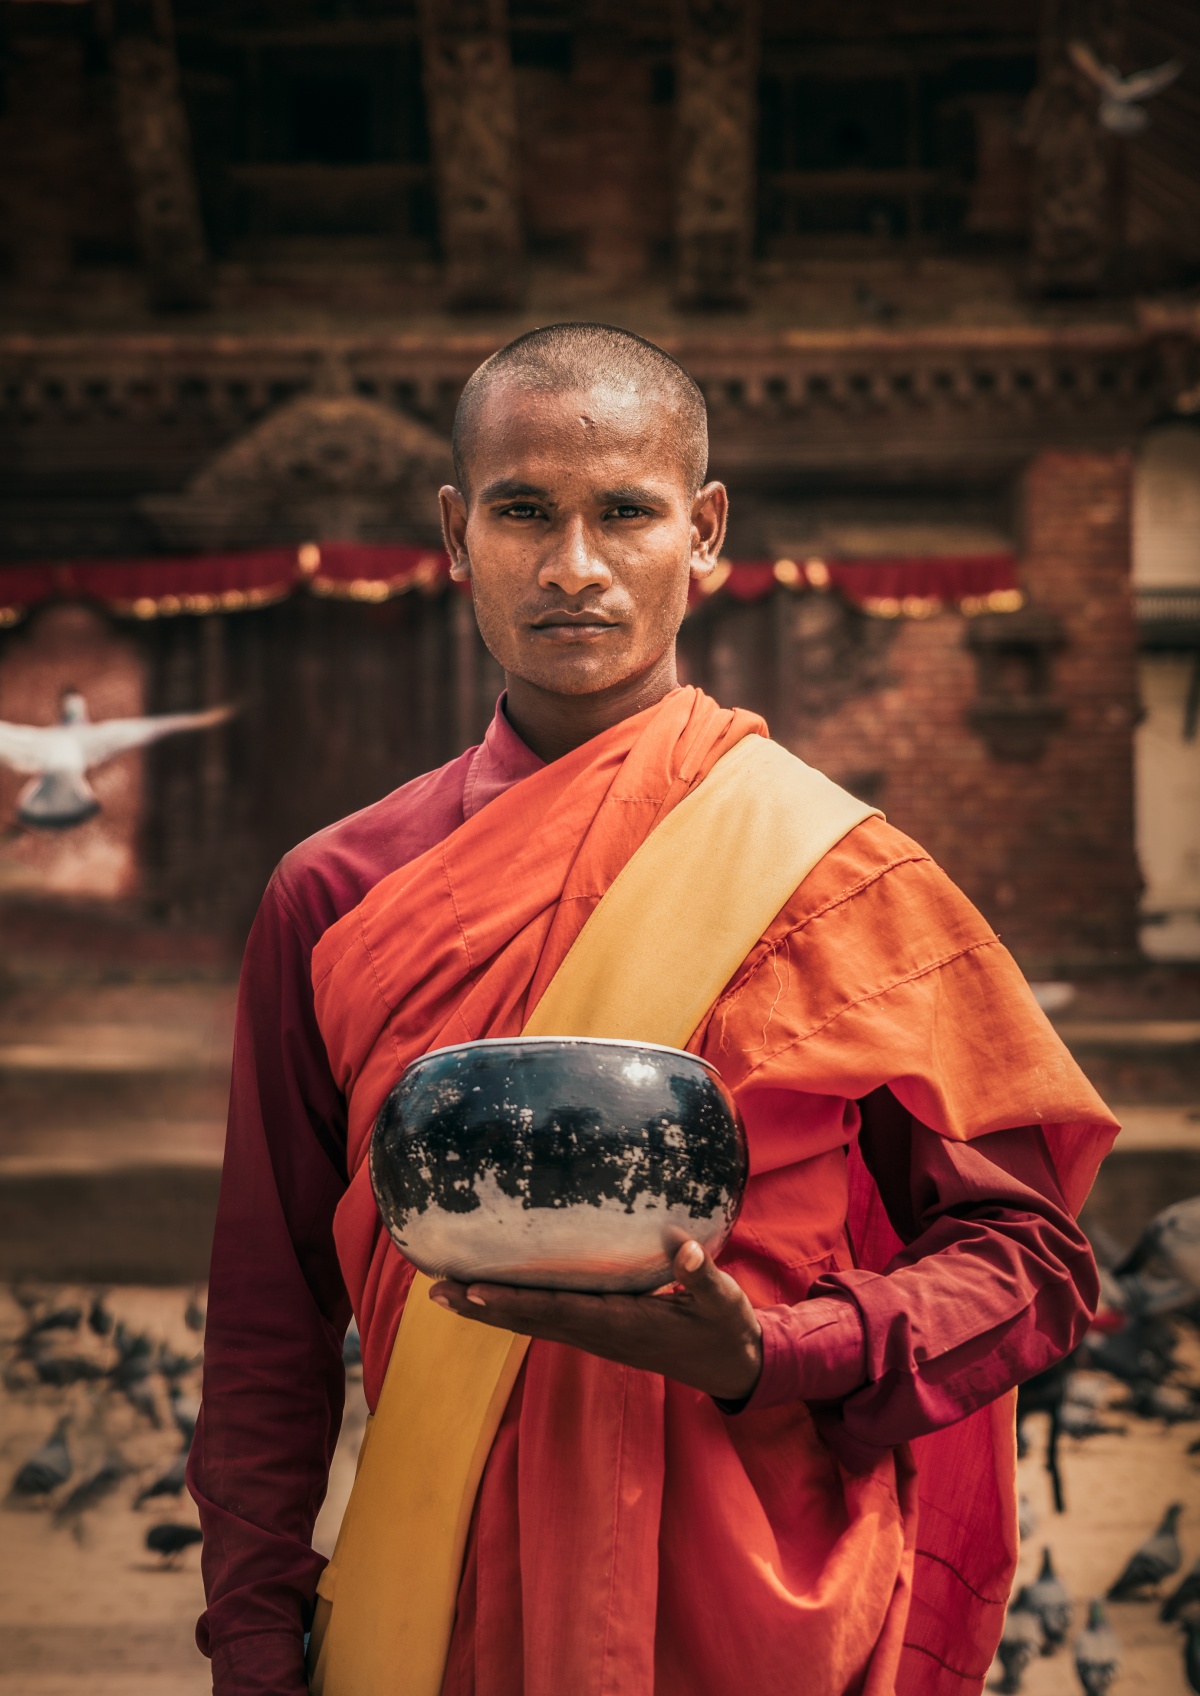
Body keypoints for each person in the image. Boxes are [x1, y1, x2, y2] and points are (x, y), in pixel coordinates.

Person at [189, 323, 1117, 1696]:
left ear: (705, 533)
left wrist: (770, 1350)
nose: (573, 565)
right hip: (436, 1610)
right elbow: (269, 1323)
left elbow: (1035, 1259)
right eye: (523, 512)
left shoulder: (833, 873)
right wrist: (255, 1643)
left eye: (624, 512)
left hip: (761, 1622)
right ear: (455, 534)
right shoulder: (337, 895)